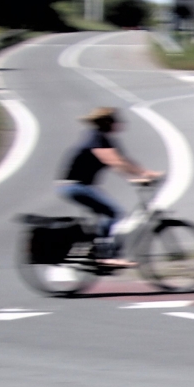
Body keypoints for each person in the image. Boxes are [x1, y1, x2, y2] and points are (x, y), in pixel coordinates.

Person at [60, 106, 161, 268]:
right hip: (74, 187)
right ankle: (105, 256)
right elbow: (114, 161)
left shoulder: (105, 139)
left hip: (81, 186)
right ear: (107, 122)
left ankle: (93, 251)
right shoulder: (95, 138)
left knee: (103, 216)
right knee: (113, 213)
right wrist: (140, 176)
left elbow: (124, 160)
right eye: (116, 121)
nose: (119, 124)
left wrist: (141, 174)